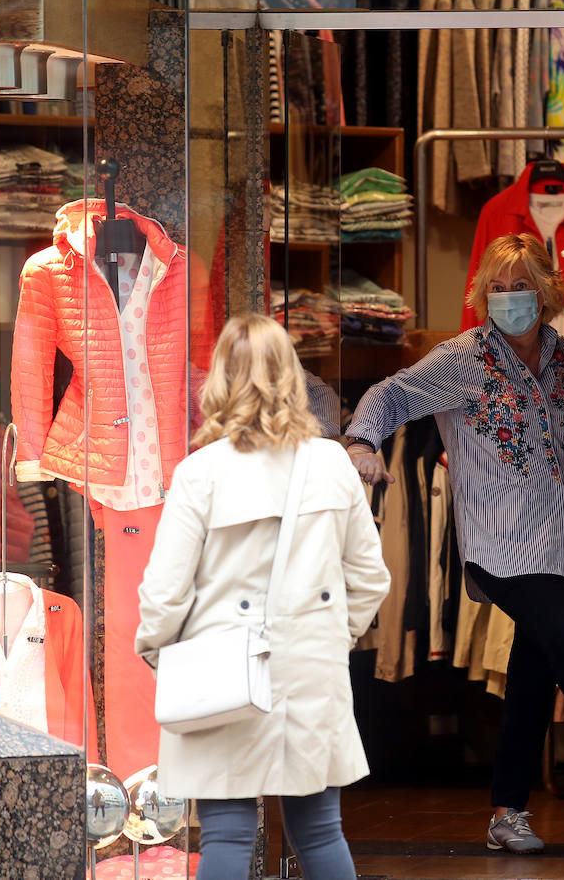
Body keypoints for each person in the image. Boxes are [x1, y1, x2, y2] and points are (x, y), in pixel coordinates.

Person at [344, 233, 564, 855]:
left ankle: (507, 812)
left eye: (521, 286)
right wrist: (363, 443)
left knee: (534, 670)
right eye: (496, 288)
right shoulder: (463, 359)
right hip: (504, 549)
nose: (508, 299)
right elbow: (391, 394)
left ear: (547, 292)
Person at [135, 313, 391, 880]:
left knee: (226, 833)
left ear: (221, 378)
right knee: (321, 832)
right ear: (292, 377)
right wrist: (324, 636)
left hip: (221, 670)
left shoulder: (199, 473)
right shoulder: (333, 464)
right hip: (311, 673)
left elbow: (164, 592)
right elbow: (371, 577)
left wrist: (159, 654)